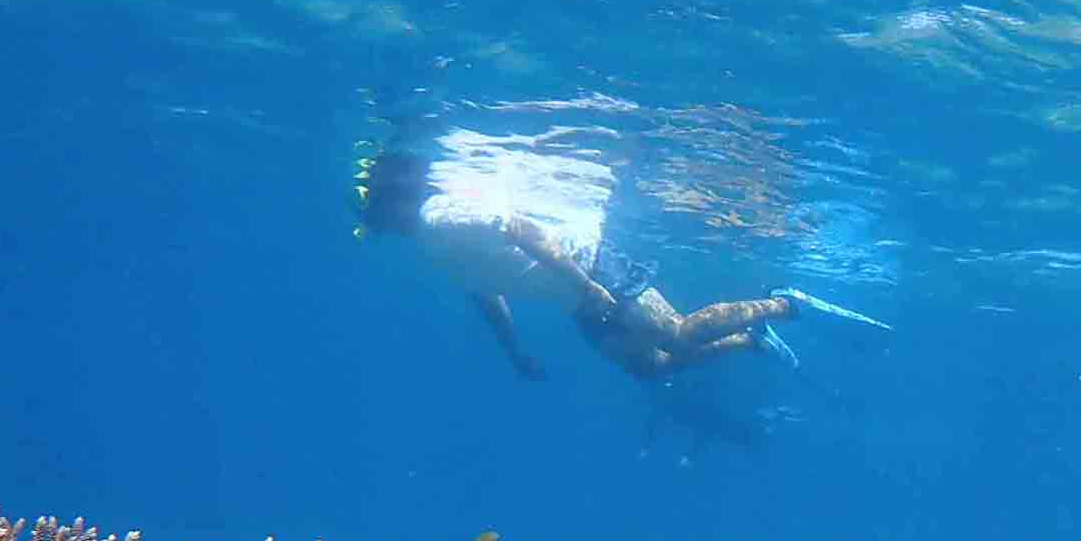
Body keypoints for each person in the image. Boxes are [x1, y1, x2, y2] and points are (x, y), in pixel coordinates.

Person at [353, 127, 877, 381]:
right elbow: (484, 289)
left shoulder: (439, 215)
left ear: (389, 201)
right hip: (577, 296)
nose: (373, 223)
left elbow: (521, 227)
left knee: (678, 333)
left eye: (372, 210)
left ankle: (785, 304)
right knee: (650, 367)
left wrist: (586, 283)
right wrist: (514, 351)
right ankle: (750, 340)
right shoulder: (430, 242)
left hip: (591, 267)